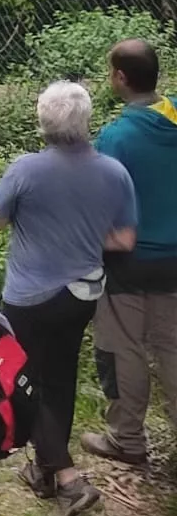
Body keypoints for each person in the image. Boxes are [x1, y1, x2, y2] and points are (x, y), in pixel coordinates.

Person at [0, 81, 137, 516]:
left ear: (43, 121)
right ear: (86, 121)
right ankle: (44, 473)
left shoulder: (26, 170)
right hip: (83, 294)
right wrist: (85, 234)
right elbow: (124, 239)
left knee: (22, 384)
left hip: (30, 296)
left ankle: (68, 479)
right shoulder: (113, 172)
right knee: (60, 381)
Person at [85, 39, 177, 468]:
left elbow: (101, 201)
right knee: (171, 347)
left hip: (130, 258)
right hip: (174, 260)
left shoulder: (116, 137)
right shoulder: (174, 114)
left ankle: (128, 440)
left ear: (120, 78)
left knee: (125, 349)